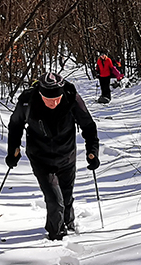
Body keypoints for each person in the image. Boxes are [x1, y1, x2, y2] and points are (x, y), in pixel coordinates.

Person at [6, 72, 99, 240]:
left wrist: (92, 151)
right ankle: (56, 236)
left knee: (66, 195)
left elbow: (88, 125)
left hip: (67, 155)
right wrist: (13, 150)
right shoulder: (28, 101)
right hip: (40, 158)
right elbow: (15, 125)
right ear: (41, 94)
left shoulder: (71, 99)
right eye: (49, 99)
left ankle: (69, 224)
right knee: (55, 200)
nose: (53, 103)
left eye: (57, 99)